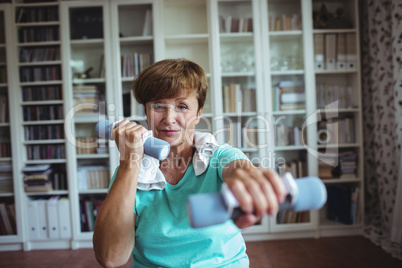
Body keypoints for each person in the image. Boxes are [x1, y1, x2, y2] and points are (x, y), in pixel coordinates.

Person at [93, 58, 286, 268]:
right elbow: (111, 257)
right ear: (146, 112)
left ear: (199, 112)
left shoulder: (221, 157)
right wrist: (130, 164)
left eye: (182, 106)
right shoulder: (129, 173)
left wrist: (249, 178)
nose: (169, 118)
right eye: (158, 106)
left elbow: (238, 168)